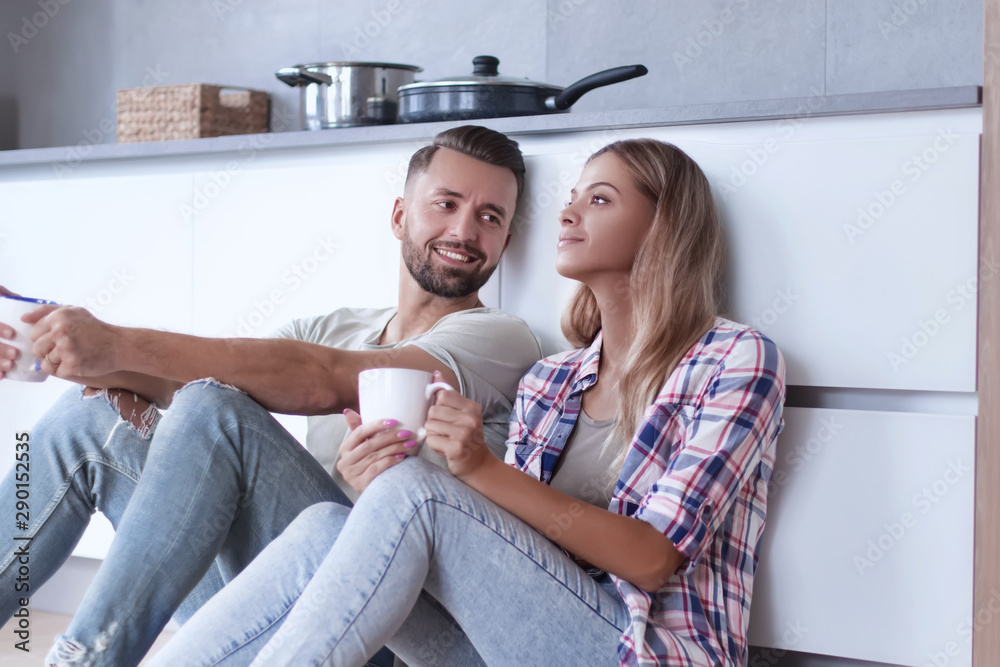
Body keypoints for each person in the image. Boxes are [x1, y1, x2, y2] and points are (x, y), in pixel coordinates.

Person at [149, 138, 787, 667]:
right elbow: (511, 552)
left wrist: (476, 472)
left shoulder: (733, 360)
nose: (567, 216)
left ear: (664, 226)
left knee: (415, 493)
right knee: (329, 523)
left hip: (637, 651)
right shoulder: (552, 380)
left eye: (599, 200)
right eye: (571, 200)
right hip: (517, 640)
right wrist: (425, 470)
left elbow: (652, 560)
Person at [0, 125, 543, 666]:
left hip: (383, 628)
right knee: (91, 412)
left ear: (506, 242)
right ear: (400, 216)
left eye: (489, 217)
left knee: (216, 408)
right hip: (273, 598)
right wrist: (50, 347)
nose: (465, 230)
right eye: (445, 204)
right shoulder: (330, 326)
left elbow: (326, 379)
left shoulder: (500, 338)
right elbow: (175, 387)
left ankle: (83, 660)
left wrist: (114, 341)